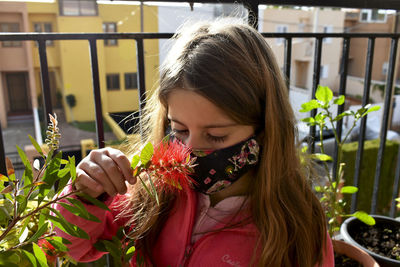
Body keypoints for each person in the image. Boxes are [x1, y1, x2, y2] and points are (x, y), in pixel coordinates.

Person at [54, 18, 334, 267]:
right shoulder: (151, 187)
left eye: (217, 135)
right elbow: (75, 247)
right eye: (179, 130)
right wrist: (85, 194)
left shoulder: (298, 224)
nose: (191, 152)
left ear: (264, 127)